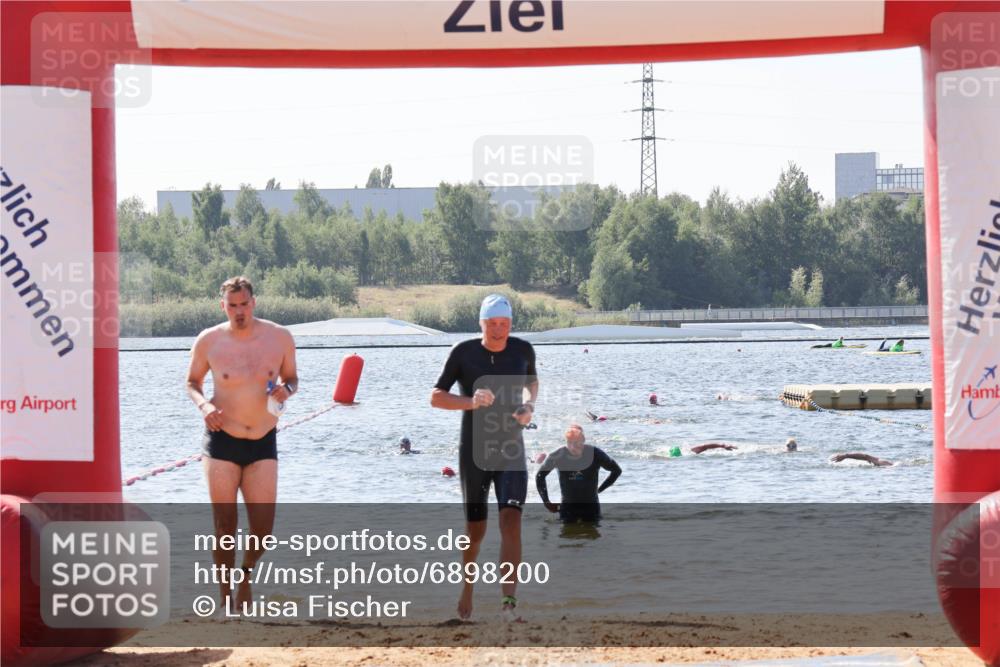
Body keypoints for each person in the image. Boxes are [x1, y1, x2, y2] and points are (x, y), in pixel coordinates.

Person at [186, 276, 297, 612]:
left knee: (263, 529)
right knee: (224, 526)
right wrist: (204, 406)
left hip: (263, 439)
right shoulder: (209, 341)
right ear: (223, 306)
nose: (239, 311)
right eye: (232, 306)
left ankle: (245, 578)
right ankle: (225, 598)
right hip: (222, 440)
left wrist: (286, 390)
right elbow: (192, 382)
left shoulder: (280, 337)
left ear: (254, 303)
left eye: (244, 304)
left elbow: (292, 378)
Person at [431, 294, 538, 622]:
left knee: (512, 521)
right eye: (492, 324)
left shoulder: (523, 350)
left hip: (512, 450)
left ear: (510, 325)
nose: (498, 330)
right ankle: (467, 585)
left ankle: (509, 603)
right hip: (474, 453)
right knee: (475, 533)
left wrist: (529, 405)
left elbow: (532, 382)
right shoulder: (463, 353)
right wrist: (471, 401)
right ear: (481, 324)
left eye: (504, 324)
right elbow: (435, 398)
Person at [536, 425, 621, 524]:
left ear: (583, 440)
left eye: (576, 443)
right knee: (567, 536)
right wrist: (546, 502)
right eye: (569, 443)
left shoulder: (595, 454)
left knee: (592, 536)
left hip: (591, 507)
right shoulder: (557, 455)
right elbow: (540, 476)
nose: (572, 447)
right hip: (568, 507)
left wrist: (599, 490)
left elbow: (616, 470)